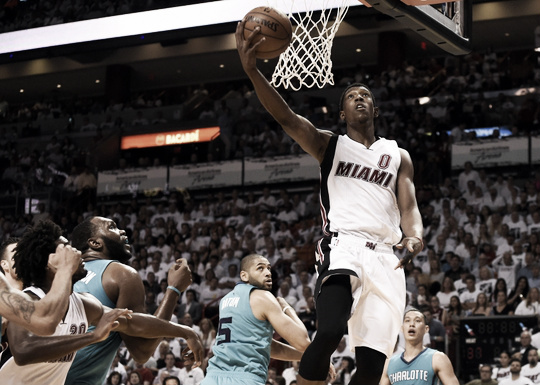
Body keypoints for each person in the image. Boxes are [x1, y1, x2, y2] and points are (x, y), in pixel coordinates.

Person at [236, 18, 423, 385]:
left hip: (388, 258)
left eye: (365, 95)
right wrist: (254, 72)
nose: (360, 99)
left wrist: (413, 238)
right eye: (352, 96)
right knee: (332, 328)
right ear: (342, 114)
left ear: (375, 109)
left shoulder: (397, 155)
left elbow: (410, 207)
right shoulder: (330, 145)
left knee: (371, 369)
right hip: (345, 246)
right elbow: (287, 118)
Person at [0, 220, 204, 385]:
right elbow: (24, 350)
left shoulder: (83, 304)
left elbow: (134, 322)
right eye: (67, 249)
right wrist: (91, 337)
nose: (77, 253)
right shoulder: (28, 299)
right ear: (50, 262)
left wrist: (185, 331)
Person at [66, 216, 195, 385]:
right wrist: (174, 289)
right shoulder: (121, 274)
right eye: (112, 227)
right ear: (95, 243)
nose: (122, 231)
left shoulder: (61, 275)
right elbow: (141, 351)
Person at [201, 254, 314, 385]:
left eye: (269, 268)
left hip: (212, 378)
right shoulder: (263, 296)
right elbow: (303, 342)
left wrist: (309, 358)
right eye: (260, 268)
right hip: (245, 378)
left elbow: (265, 346)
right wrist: (288, 309)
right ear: (244, 276)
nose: (267, 273)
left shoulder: (225, 300)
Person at [0, 238, 82, 336]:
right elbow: (46, 322)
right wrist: (65, 268)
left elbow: (46, 320)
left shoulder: (36, 294)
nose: (23, 260)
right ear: (4, 264)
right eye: (18, 256)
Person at [380, 308, 459, 385]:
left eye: (417, 320)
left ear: (426, 329)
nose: (412, 324)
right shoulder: (389, 363)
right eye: (407, 320)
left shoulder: (438, 358)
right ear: (402, 328)